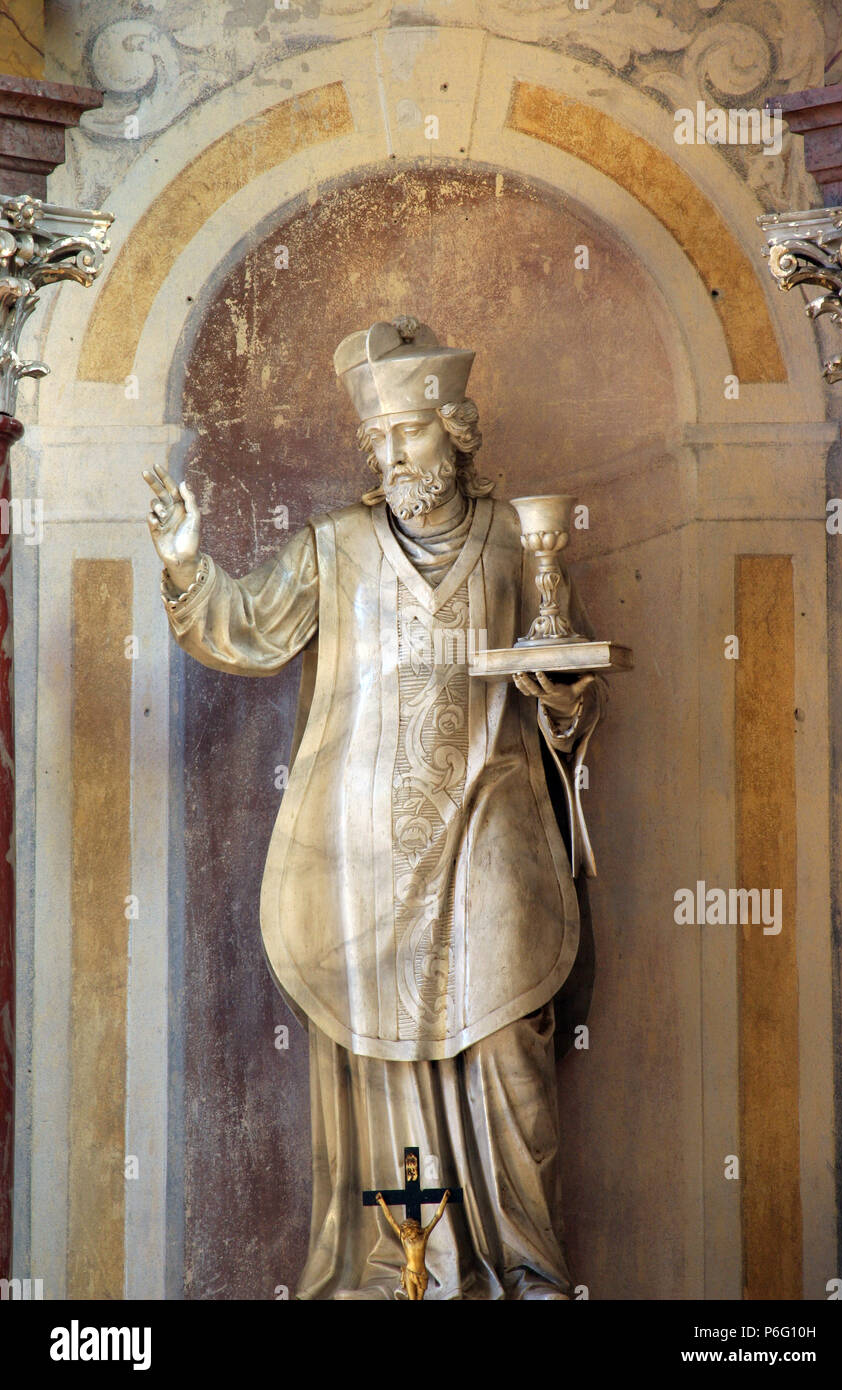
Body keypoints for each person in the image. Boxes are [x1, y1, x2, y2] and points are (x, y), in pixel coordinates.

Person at [144, 316, 602, 1300]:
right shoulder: (335, 547)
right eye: (378, 439)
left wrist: (564, 697)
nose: (392, 455)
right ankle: (410, 1276)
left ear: (457, 431)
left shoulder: (519, 545)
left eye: (411, 433)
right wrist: (186, 563)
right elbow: (245, 628)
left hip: (493, 840)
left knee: (511, 1056)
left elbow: (567, 689)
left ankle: (528, 1270)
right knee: (383, 1055)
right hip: (365, 859)